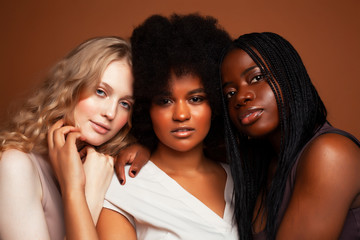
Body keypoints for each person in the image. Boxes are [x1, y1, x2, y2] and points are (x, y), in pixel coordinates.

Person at [94, 14, 237, 239]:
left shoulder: (241, 179)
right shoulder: (122, 187)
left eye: (196, 99)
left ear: (215, 103)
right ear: (145, 107)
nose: (181, 114)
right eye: (165, 101)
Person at [0, 36, 148, 240]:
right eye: (100, 92)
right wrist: (86, 195)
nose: (111, 113)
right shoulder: (17, 166)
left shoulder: (107, 165)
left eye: (125, 104)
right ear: (70, 87)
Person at [220, 32, 360, 239]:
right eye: (230, 93)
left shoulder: (331, 154)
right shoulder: (258, 162)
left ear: (289, 76)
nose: (241, 97)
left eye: (257, 78)